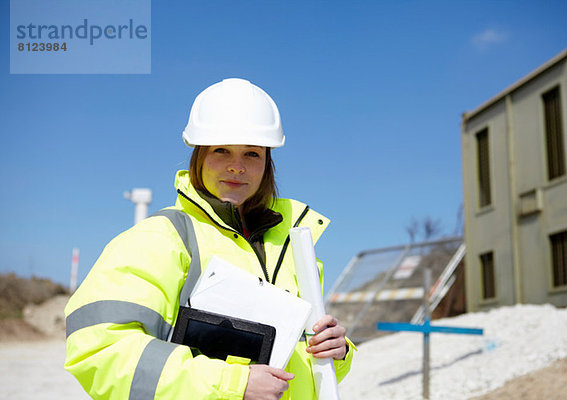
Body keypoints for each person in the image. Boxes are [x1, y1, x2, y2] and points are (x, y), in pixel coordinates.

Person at [64, 78, 355, 399]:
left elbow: (302, 362)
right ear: (199, 156)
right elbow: (100, 350)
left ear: (268, 163)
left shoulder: (294, 246)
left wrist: (337, 352)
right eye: (221, 150)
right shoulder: (160, 238)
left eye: (252, 154)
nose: (237, 167)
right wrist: (231, 383)